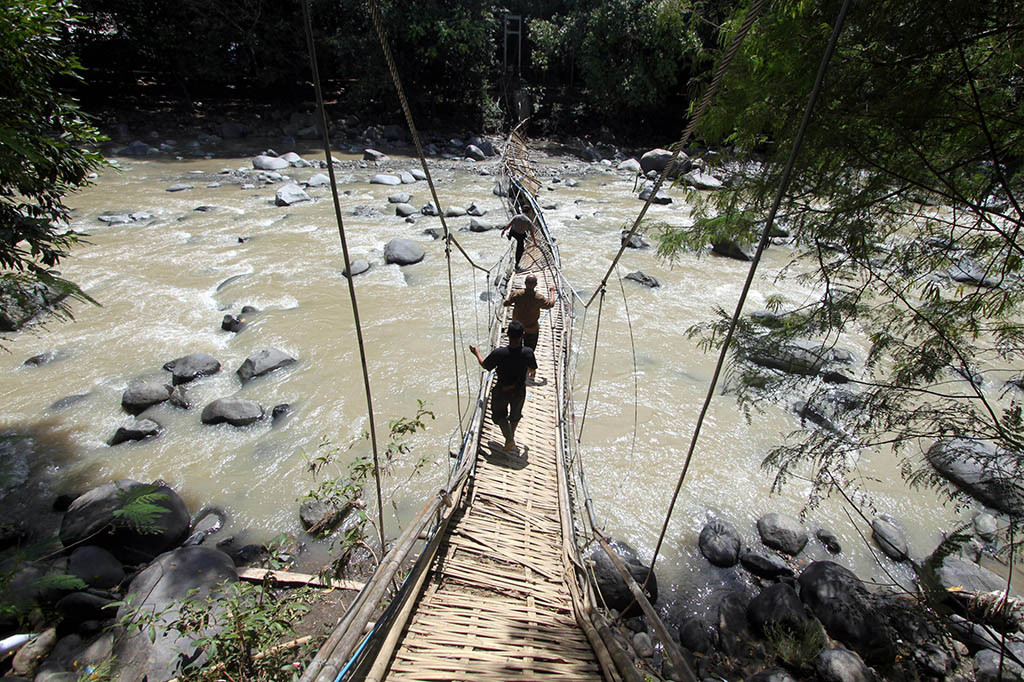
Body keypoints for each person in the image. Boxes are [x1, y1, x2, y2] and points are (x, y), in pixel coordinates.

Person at [469, 320, 537, 452]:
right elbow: (532, 369)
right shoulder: (528, 352)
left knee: (499, 415)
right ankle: (510, 437)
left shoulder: (499, 353)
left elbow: (486, 366)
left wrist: (476, 353)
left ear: (507, 334)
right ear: (522, 335)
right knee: (515, 414)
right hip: (519, 389)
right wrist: (531, 371)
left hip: (502, 389)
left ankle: (509, 438)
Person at [504, 274, 556, 354]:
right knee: (529, 351)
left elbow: (506, 303)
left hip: (517, 328)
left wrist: (506, 300)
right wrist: (552, 292)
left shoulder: (517, 294)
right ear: (536, 285)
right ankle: (527, 364)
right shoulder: (539, 298)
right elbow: (551, 304)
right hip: (532, 329)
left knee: (515, 350)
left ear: (525, 283)